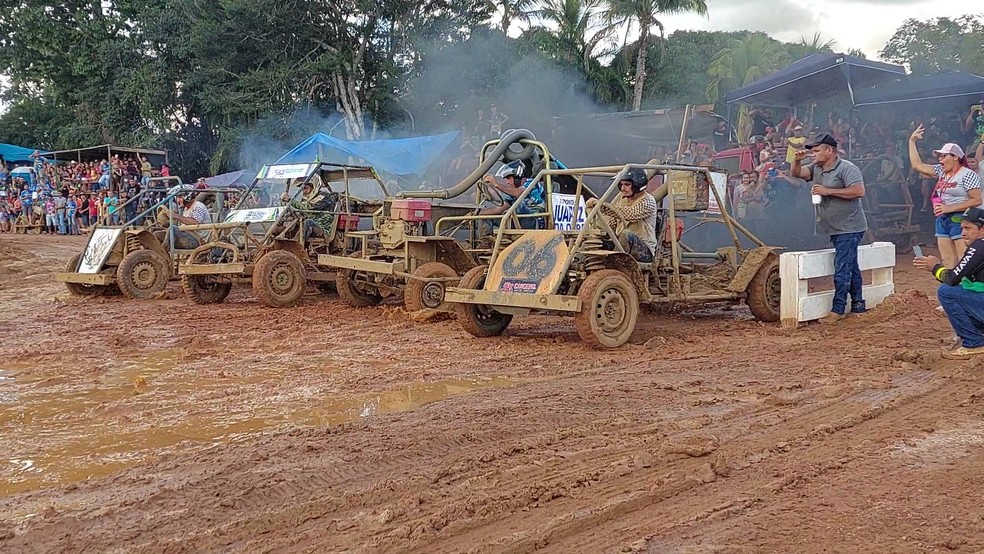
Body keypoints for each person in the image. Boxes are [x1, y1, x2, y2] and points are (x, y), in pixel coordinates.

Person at [791, 133, 867, 323]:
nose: (813, 154)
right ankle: (858, 304)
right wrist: (796, 161)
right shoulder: (816, 168)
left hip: (849, 226)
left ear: (829, 150)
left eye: (817, 151)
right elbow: (797, 174)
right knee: (850, 265)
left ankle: (838, 309)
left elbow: (859, 191)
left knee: (842, 267)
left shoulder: (847, 168)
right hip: (834, 226)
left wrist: (828, 191)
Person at [908, 124, 983, 269]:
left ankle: (964, 288)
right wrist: (912, 141)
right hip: (942, 219)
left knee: (964, 258)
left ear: (955, 157)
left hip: (962, 218)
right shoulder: (941, 171)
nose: (940, 159)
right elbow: (917, 165)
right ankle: (949, 286)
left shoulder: (967, 174)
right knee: (947, 259)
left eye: (944, 156)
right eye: (940, 156)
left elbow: (976, 200)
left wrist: (949, 208)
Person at [914, 207, 984, 359]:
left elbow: (952, 278)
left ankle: (974, 343)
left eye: (968, 228)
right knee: (963, 289)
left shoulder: (979, 247)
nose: (963, 233)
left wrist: (934, 267)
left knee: (946, 291)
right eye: (961, 228)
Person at [586, 168, 657, 263]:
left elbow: (629, 213)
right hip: (622, 246)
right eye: (621, 185)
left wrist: (600, 206)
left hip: (644, 250)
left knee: (626, 234)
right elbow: (612, 223)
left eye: (627, 185)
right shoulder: (622, 200)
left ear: (637, 185)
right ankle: (576, 264)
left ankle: (614, 267)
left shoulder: (648, 201)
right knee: (592, 239)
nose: (623, 188)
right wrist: (597, 234)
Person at [480, 160, 545, 222]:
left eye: (508, 178)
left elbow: (519, 193)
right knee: (488, 217)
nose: (507, 182)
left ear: (517, 177)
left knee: (515, 206)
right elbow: (498, 209)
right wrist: (477, 213)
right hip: (521, 222)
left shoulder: (531, 183)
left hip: (535, 221)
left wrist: (496, 185)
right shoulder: (513, 194)